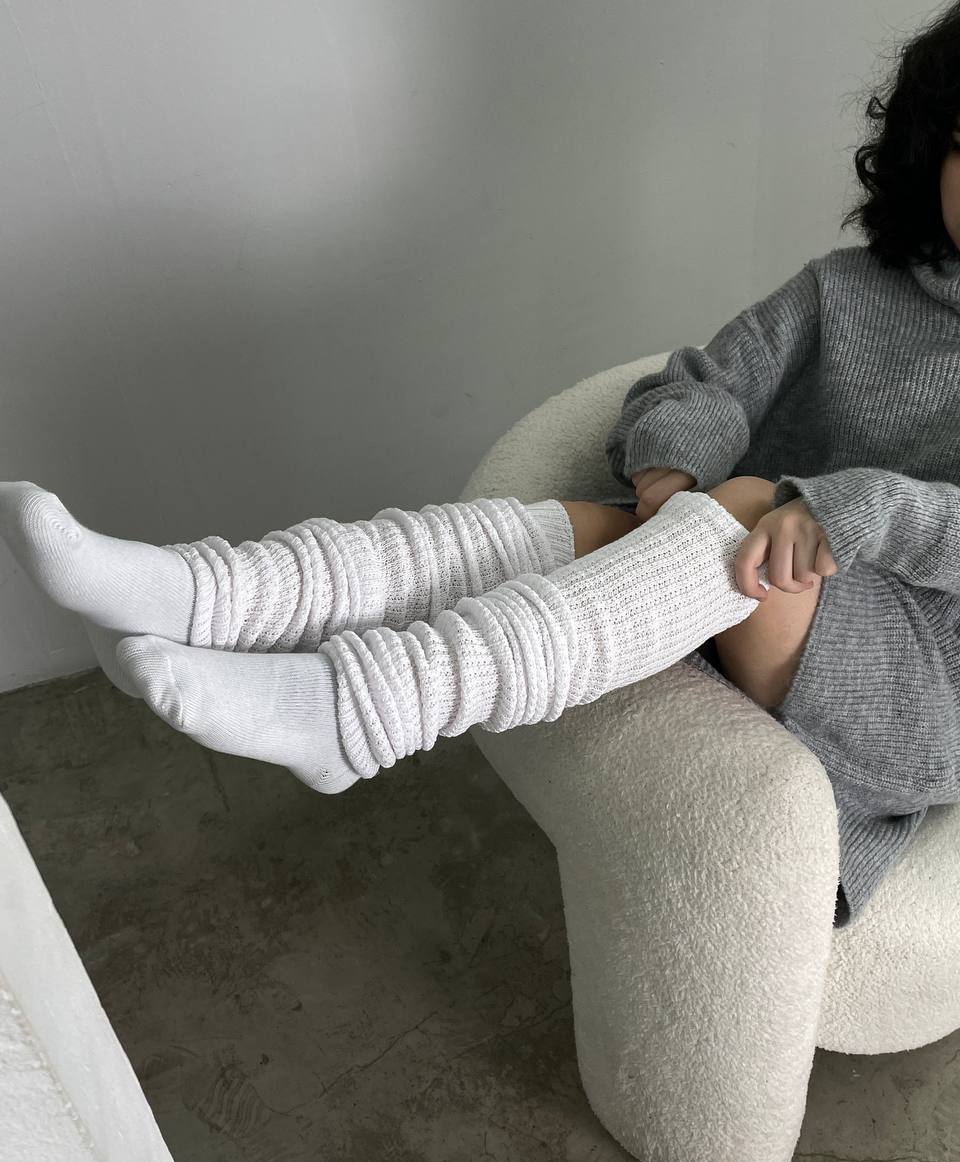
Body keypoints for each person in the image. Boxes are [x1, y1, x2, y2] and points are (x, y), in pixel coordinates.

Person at [4, 3, 960, 931]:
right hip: (766, 581)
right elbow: (706, 382)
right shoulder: (844, 288)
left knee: (740, 511)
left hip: (924, 686)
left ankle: (359, 711)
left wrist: (845, 512)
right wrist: (672, 469)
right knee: (618, 523)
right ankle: (216, 593)